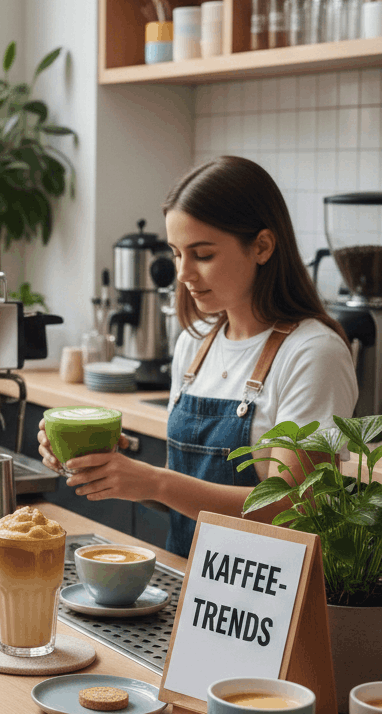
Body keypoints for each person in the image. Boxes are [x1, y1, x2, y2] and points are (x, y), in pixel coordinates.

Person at [39, 155, 357, 557]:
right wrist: (116, 471)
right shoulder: (195, 343)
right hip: (189, 580)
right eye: (176, 253)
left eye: (202, 254)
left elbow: (293, 508)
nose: (183, 273)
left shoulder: (312, 353)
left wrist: (156, 482)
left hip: (267, 591)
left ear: (262, 246)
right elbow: (183, 491)